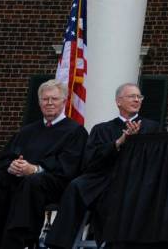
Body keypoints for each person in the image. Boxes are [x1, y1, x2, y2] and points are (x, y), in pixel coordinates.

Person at [0, 79, 88, 249]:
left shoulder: (75, 131)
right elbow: (5, 157)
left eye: (54, 99)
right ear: (39, 102)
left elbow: (69, 165)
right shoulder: (28, 130)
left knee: (32, 181)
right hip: (17, 179)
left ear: (64, 101)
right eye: (45, 99)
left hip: (51, 183)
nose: (49, 103)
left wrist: (35, 169)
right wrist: (11, 166)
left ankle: (16, 241)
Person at [45, 82, 161, 248]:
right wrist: (119, 142)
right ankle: (60, 243)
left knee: (119, 195)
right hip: (103, 177)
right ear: (118, 101)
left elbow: (156, 160)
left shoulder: (152, 127)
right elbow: (91, 160)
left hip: (136, 179)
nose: (137, 100)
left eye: (139, 97)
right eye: (131, 96)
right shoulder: (102, 129)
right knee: (76, 186)